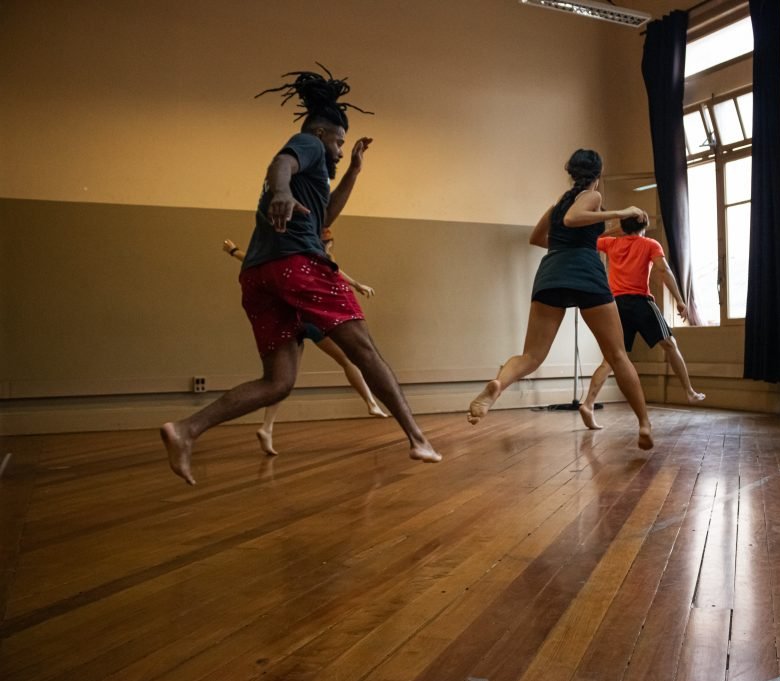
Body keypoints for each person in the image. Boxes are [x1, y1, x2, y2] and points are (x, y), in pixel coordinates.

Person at [161, 66, 441, 485]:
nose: (341, 151)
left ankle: (186, 430)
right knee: (365, 352)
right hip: (299, 267)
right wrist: (281, 192)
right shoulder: (307, 143)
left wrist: (354, 172)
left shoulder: (317, 175)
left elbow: (325, 216)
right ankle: (418, 438)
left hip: (258, 275)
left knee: (277, 382)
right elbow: (282, 163)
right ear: (325, 133)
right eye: (341, 143)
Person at [466, 149, 655, 450]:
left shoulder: (558, 204)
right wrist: (620, 211)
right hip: (585, 272)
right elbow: (574, 218)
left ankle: (498, 384)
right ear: (598, 174)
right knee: (618, 355)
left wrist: (606, 229)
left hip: (553, 271)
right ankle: (644, 424)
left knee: (531, 356)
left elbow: (538, 238)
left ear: (571, 172)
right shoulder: (590, 197)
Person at [221, 236, 387, 456]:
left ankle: (267, 427)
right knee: (346, 359)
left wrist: (233, 251)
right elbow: (336, 272)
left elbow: (254, 262)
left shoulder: (287, 259)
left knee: (283, 380)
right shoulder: (310, 258)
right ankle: (371, 402)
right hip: (309, 321)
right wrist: (357, 285)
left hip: (291, 321)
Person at [578, 215, 705, 430]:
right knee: (669, 344)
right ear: (643, 228)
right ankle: (690, 392)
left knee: (611, 359)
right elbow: (664, 271)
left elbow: (590, 240)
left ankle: (588, 404)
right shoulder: (649, 244)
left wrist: (613, 229)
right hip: (640, 302)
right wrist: (680, 301)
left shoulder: (611, 242)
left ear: (623, 226)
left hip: (615, 305)